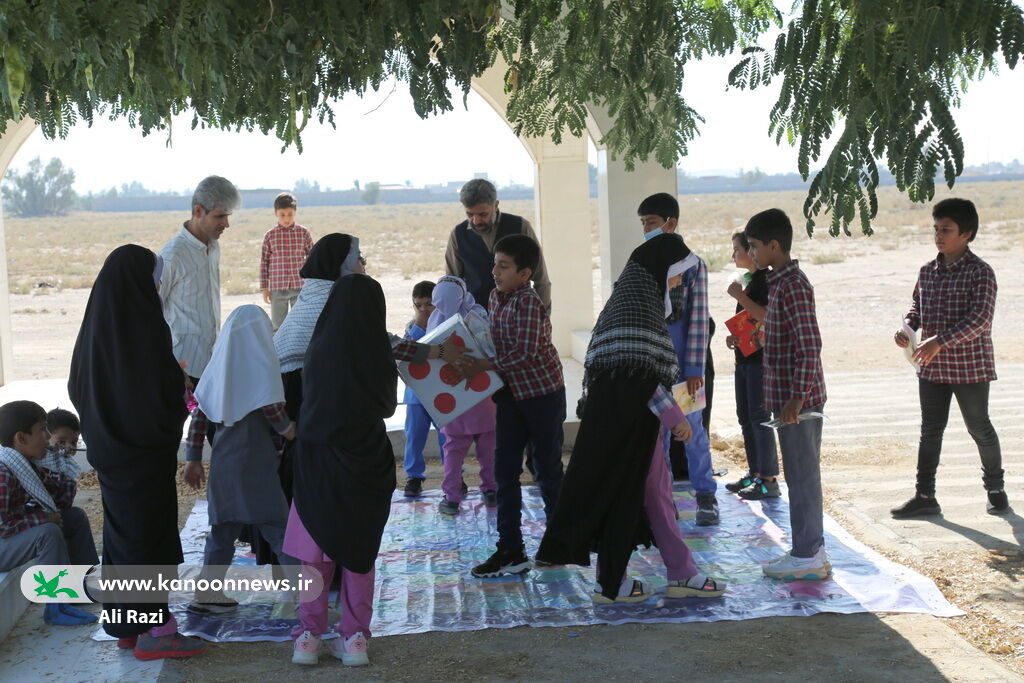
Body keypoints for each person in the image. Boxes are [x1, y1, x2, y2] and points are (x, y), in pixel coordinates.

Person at [537, 234, 727, 603]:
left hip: (613, 427)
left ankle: (620, 581)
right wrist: (676, 419)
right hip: (635, 430)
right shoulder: (642, 312)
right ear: (660, 271)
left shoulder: (622, 307)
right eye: (675, 276)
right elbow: (639, 380)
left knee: (632, 496)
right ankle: (671, 575)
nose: (676, 284)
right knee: (648, 496)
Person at [68, 245, 205, 658]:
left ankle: (126, 626)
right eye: (153, 278)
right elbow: (157, 390)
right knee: (148, 539)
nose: (156, 286)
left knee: (123, 538)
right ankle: (156, 633)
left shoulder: (96, 329)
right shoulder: (142, 328)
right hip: (142, 453)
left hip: (111, 451)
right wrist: (182, 389)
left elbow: (80, 388)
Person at [285, 273, 397, 668]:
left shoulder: (320, 345)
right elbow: (386, 406)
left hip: (318, 463)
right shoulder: (377, 351)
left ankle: (308, 640)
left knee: (315, 558)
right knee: (359, 554)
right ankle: (354, 640)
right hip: (364, 462)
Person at [892, 198, 1008, 517]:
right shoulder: (927, 271)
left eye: (947, 229)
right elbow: (917, 306)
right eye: (936, 229)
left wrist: (940, 341)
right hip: (931, 368)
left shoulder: (981, 272)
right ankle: (925, 496)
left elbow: (981, 318)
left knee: (979, 427)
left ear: (966, 234)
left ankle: (996, 489)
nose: (939, 235)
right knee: (930, 430)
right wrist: (908, 328)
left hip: (970, 369)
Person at [458, 234, 565, 578]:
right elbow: (494, 344)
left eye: (504, 266)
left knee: (546, 469)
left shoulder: (529, 302)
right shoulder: (494, 297)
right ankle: (510, 551)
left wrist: (482, 366)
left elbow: (525, 353)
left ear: (525, 274)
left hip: (542, 396)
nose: (495, 272)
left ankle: (561, 542)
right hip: (510, 396)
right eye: (495, 264)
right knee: (504, 472)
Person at [182, 305, 297, 614]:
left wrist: (192, 460)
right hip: (257, 468)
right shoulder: (264, 375)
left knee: (221, 533)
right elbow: (280, 422)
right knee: (280, 531)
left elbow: (198, 420)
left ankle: (207, 595)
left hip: (224, 467)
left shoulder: (215, 374)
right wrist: (296, 434)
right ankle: (300, 597)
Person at [744, 209, 830, 580]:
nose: (750, 254)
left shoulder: (793, 284)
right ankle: (809, 550)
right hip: (786, 398)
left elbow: (810, 346)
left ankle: (808, 555)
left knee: (802, 476)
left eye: (754, 247)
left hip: (799, 401)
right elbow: (787, 336)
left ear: (774, 246)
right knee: (799, 475)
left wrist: (797, 397)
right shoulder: (777, 282)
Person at [638, 193, 719, 526]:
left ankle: (705, 495)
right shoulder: (642, 261)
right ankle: (663, 500)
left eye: (651, 223)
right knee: (658, 435)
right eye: (643, 224)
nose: (646, 230)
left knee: (694, 430)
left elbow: (699, 320)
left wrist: (695, 369)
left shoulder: (692, 265)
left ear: (670, 224)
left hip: (685, 367)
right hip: (653, 366)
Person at [0, 400, 99, 626]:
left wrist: (61, 465)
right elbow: (2, 526)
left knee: (74, 516)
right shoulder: (3, 471)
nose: (47, 437)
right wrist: (43, 518)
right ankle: (56, 606)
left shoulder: (25, 463)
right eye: (42, 430)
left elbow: (60, 505)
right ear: (21, 438)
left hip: (7, 540)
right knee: (48, 532)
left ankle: (85, 583)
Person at [159, 175, 241, 386]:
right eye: (220, 216)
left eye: (228, 216)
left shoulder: (213, 247)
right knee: (178, 418)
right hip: (181, 368)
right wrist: (166, 364)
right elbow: (151, 311)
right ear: (198, 211)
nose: (226, 224)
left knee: (206, 419)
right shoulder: (172, 255)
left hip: (210, 364)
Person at [428, 276, 498, 514]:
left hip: (453, 400)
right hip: (482, 396)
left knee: (453, 451)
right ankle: (491, 490)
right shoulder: (477, 316)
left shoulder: (435, 321)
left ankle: (452, 499)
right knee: (488, 449)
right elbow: (491, 351)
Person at [723, 231, 779, 499]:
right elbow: (750, 324)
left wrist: (739, 297)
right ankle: (756, 473)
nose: (734, 255)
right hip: (745, 359)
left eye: (738, 249)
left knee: (759, 419)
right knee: (745, 418)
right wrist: (735, 337)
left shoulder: (765, 280)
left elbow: (765, 317)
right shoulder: (749, 281)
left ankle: (769, 479)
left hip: (761, 362)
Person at [445, 178, 552, 310]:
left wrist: (542, 317)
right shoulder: (458, 235)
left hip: (518, 318)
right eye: (470, 214)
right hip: (475, 319)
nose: (476, 221)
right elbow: (451, 285)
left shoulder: (520, 227)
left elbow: (541, 279)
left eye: (483, 214)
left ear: (496, 205)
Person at [401, 280, 447, 497]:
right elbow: (406, 351)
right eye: (418, 305)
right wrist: (418, 325)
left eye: (428, 304)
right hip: (417, 394)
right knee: (415, 436)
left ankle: (453, 475)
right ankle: (414, 477)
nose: (423, 309)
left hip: (443, 392)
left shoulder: (446, 323)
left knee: (448, 437)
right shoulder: (412, 327)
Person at [260, 192, 313, 331]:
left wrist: (311, 283)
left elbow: (312, 258)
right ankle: (277, 352)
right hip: (278, 287)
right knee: (278, 325)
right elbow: (264, 262)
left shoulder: (303, 233)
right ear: (276, 213)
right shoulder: (270, 235)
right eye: (282, 214)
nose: (286, 218)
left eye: (290, 214)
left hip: (300, 285)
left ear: (295, 212)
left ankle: (300, 351)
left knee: (301, 324)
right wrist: (264, 288)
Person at [37, 408, 82, 481]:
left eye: (73, 442)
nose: (69, 446)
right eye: (61, 442)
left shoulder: (70, 464)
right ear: (46, 436)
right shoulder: (41, 459)